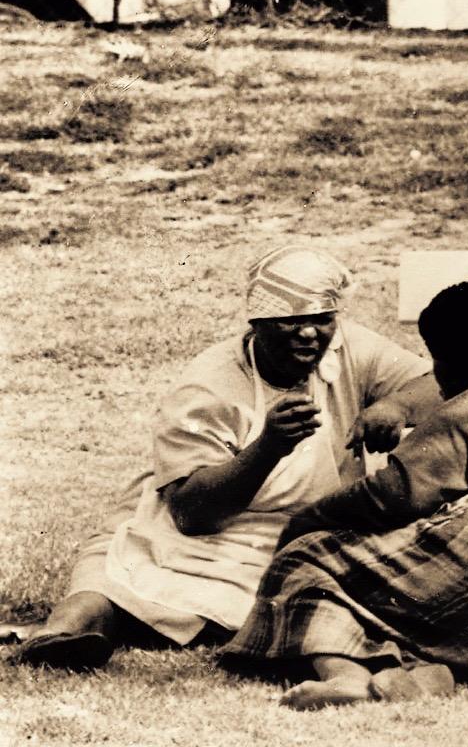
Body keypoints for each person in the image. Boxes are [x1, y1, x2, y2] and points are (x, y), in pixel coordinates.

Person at [8, 246, 438, 671]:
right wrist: (268, 446)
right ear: (258, 323)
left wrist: (396, 406)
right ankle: (67, 634)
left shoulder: (349, 349)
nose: (309, 334)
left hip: (307, 529)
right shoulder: (209, 384)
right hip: (208, 532)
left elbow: (441, 382)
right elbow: (192, 513)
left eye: (322, 320)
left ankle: (156, 625)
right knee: (113, 571)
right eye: (291, 321)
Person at [219, 280, 468, 709]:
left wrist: (307, 522)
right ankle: (430, 675)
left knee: (308, 560)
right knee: (409, 599)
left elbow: (392, 496)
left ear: (458, 366)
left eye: (437, 361)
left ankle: (345, 675)